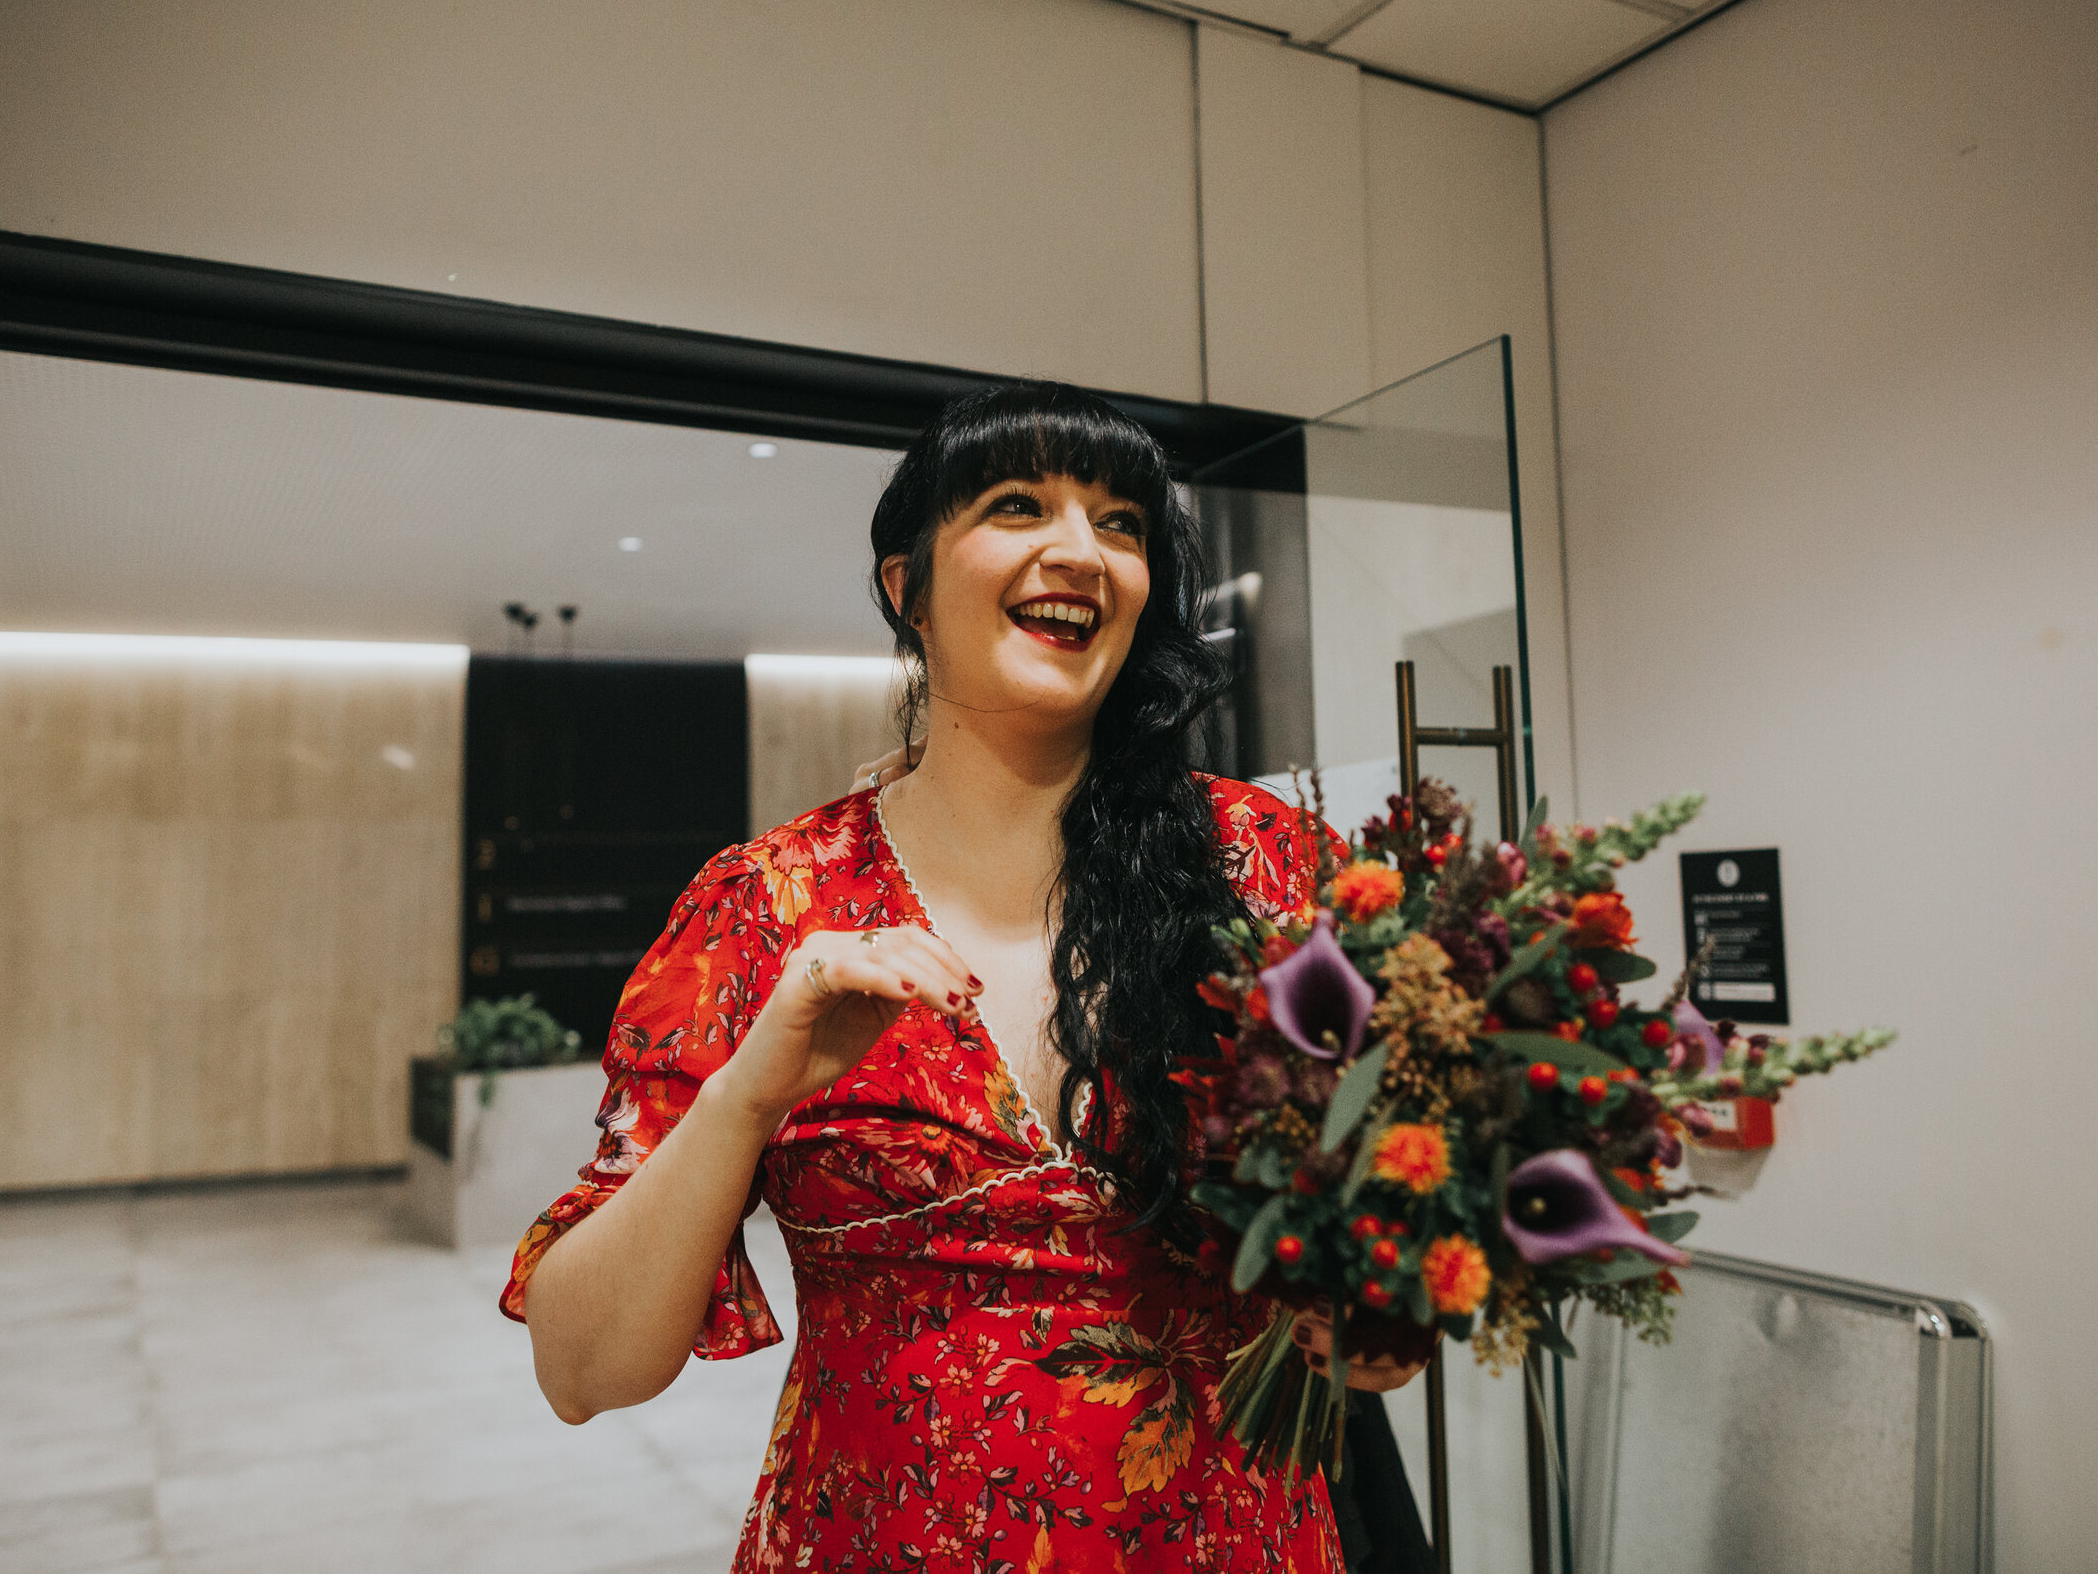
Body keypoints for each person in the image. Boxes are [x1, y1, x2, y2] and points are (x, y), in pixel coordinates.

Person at [505, 383, 1424, 1571]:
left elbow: (1381, 1241)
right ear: (908, 588)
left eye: (1123, 522)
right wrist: (746, 1092)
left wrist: (1374, 1307)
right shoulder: (768, 904)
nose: (1080, 551)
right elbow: (583, 1371)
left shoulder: (1271, 867)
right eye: (1017, 503)